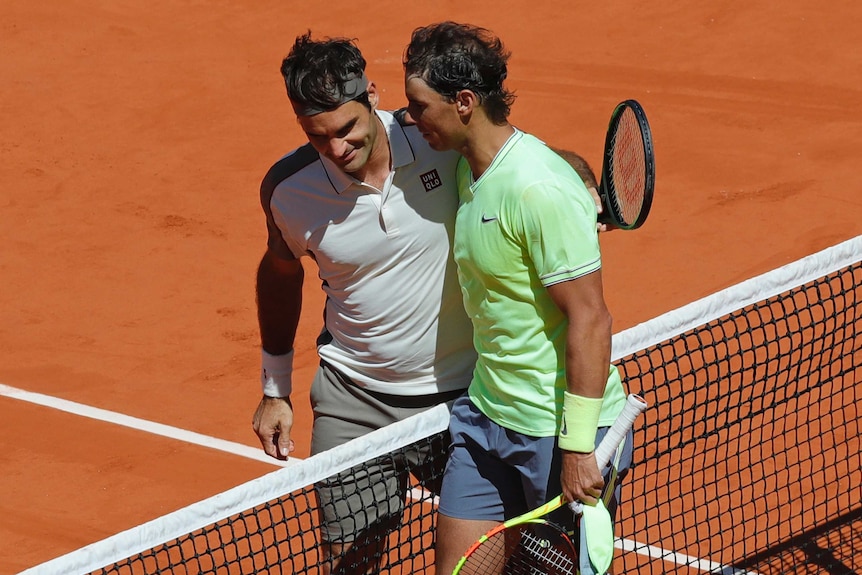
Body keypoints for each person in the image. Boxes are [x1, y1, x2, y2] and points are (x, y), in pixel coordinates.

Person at [250, 31, 603, 575]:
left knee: (521, 559)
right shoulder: (290, 190)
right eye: (318, 138)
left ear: (372, 94)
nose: (337, 149)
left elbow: (511, 155)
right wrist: (275, 388)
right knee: (349, 560)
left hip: (466, 397)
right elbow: (279, 273)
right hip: (355, 399)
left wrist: (574, 172)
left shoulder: (436, 137)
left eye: (347, 129)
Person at [402, 21, 631, 575]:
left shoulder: (536, 188)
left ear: (463, 102)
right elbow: (545, 165)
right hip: (485, 417)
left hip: (556, 433)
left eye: (419, 107)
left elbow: (591, 319)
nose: (412, 120)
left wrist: (578, 448)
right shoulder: (468, 169)